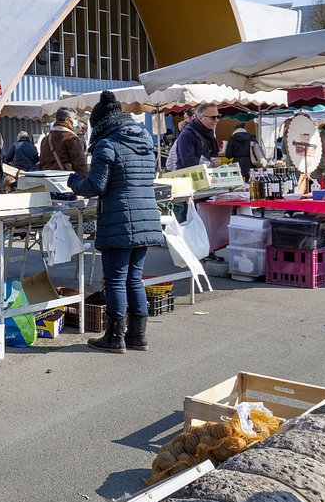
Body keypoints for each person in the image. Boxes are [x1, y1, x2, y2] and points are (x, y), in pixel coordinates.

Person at [67, 91, 163, 354]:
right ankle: (138, 336)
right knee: (134, 278)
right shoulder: (144, 141)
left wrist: (73, 182)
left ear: (100, 124)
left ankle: (114, 337)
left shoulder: (107, 144)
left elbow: (95, 185)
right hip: (146, 218)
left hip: (119, 218)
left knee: (116, 279)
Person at [39, 108, 88, 178]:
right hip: (66, 181)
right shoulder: (71, 138)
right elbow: (80, 165)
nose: (76, 122)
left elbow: (41, 164)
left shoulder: (45, 139)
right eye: (75, 118)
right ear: (67, 120)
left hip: (47, 181)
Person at [174, 103, 220, 169]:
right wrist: (210, 164)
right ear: (200, 117)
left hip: (203, 174)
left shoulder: (207, 132)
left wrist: (211, 159)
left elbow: (204, 154)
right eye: (213, 117)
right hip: (189, 177)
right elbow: (188, 161)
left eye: (218, 116)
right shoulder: (187, 134)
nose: (216, 120)